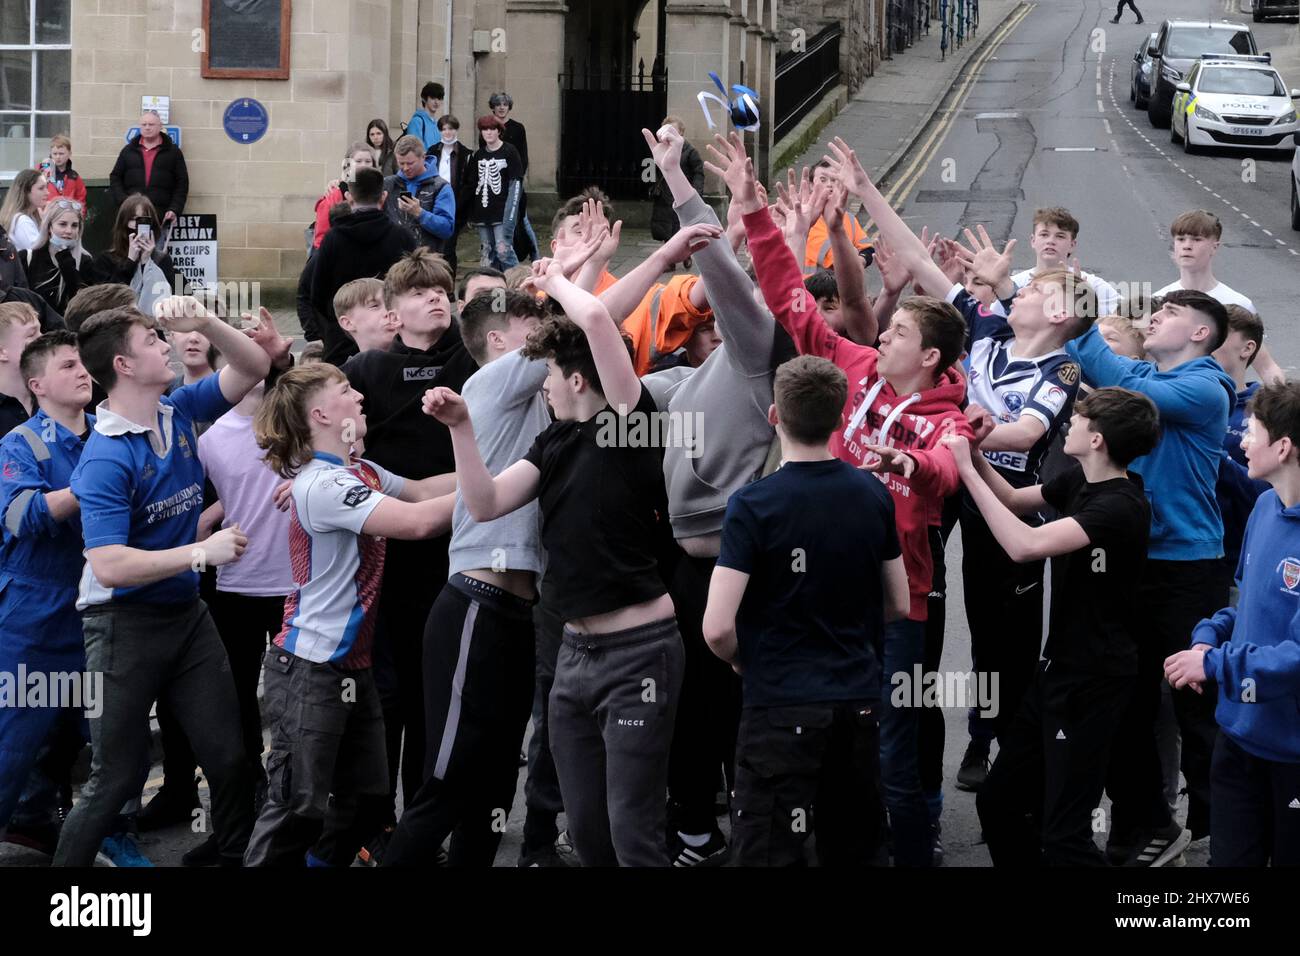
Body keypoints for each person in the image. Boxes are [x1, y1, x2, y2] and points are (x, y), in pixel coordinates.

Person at [729, 130, 977, 866]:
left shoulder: (947, 415)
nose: (880, 332)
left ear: (928, 357)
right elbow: (790, 300)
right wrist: (756, 215)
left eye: (897, 331)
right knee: (824, 740)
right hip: (817, 584)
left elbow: (944, 472)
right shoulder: (856, 365)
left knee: (892, 746)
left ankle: (909, 848)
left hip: (893, 599)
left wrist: (908, 459)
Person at [825, 136, 1092, 792]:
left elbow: (1027, 435)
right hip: (944, 473)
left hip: (1002, 491)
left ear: (1057, 313)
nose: (1017, 291)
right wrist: (864, 188)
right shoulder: (991, 330)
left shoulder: (1060, 366)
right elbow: (916, 258)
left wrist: (967, 434)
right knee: (924, 596)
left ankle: (993, 737)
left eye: (1033, 290)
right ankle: (911, 725)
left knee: (1002, 630)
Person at [426, 257, 684, 867]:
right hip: (574, 655)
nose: (540, 384)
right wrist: (462, 428)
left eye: (547, 373)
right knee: (588, 831)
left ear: (576, 379)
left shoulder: (631, 424)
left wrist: (552, 280)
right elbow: (485, 503)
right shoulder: (553, 440)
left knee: (631, 832)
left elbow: (594, 315)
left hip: (639, 651)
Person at [51, 295, 271, 868]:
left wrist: (207, 322)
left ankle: (232, 856)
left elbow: (254, 368)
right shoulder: (104, 457)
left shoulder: (174, 409)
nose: (166, 343)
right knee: (115, 776)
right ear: (123, 366)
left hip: (186, 617)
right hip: (122, 626)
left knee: (228, 757)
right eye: (152, 340)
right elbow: (108, 565)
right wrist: (199, 551)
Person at [242, 363, 457, 866]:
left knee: (360, 805)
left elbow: (426, 491)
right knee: (297, 808)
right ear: (320, 413)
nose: (360, 395)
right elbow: (421, 521)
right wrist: (510, 486)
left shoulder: (360, 471)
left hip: (351, 667)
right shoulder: (323, 485)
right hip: (310, 666)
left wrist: (506, 464)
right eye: (345, 390)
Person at [702, 354, 909, 866]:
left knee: (769, 848)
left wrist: (741, 659)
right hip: (855, 700)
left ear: (775, 416)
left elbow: (717, 627)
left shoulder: (753, 505)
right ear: (841, 419)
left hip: (780, 704)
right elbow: (900, 603)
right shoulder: (872, 493)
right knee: (855, 845)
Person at [944, 388, 1159, 865]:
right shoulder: (1077, 480)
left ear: (1097, 439)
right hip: (1057, 671)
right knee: (999, 802)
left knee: (1064, 834)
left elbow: (1024, 544)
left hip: (1094, 681)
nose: (1069, 425)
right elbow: (1015, 500)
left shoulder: (1120, 506)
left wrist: (961, 468)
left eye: (1078, 419)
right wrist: (977, 454)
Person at [382, 288, 550, 867]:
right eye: (533, 325)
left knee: (495, 782)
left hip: (518, 613)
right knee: (449, 783)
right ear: (500, 342)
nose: (547, 334)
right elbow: (586, 321)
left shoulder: (537, 403)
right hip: (476, 603)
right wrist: (650, 257)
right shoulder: (492, 382)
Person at [1067, 289, 1235, 865]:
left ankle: (1220, 834)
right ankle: (1148, 825)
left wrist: (1068, 306)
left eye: (1170, 314)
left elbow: (1117, 378)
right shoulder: (1143, 372)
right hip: (1136, 561)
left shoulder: (1204, 387)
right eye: (1153, 310)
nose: (1154, 316)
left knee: (1197, 706)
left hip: (1188, 568)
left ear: (1200, 334)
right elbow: (1110, 369)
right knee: (1129, 703)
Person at [339, 249, 479, 864]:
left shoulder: (470, 358)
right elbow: (338, 441)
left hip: (457, 548)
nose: (435, 299)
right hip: (387, 550)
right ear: (392, 312)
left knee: (439, 696)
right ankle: (377, 823)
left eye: (442, 290)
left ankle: (429, 821)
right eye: (420, 293)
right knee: (384, 697)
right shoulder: (367, 368)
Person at [1165, 381, 1300, 867]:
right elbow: (1245, 606)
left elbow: (1296, 656)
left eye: (1251, 431)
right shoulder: (1264, 506)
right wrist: (1208, 637)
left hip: (1291, 755)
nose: (1241, 439)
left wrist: (1216, 665)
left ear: (1283, 447)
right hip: (1238, 734)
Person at [0, 331, 95, 853]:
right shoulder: (18, 444)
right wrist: (91, 485)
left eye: (82, 363)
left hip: (99, 606)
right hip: (34, 610)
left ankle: (42, 828)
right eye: (67, 366)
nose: (83, 372)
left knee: (93, 735)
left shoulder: (110, 432)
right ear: (36, 384)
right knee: (14, 742)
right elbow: (20, 515)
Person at [309, 167, 416, 366]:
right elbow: (414, 287)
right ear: (383, 197)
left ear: (349, 198)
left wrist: (338, 325)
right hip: (395, 338)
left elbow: (317, 293)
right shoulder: (402, 237)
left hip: (342, 337)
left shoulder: (333, 239)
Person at [1213, 306, 1270, 598]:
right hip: (1179, 556)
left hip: (1235, 566)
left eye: (1219, 335)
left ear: (1247, 348)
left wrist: (1213, 454)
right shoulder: (1184, 398)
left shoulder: (1264, 412)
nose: (1206, 341)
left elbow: (1268, 492)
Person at [1009, 208, 1121, 316]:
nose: (1050, 241)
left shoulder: (1091, 285)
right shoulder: (1015, 285)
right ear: (1033, 241)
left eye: (1060, 236)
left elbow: (1130, 315)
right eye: (1044, 235)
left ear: (1072, 245)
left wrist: (1085, 305)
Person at [91, 195, 178, 317]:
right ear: (124, 222)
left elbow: (180, 292)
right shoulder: (106, 259)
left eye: (145, 220)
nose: (139, 226)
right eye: (134, 219)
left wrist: (147, 263)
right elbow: (107, 299)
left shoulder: (162, 259)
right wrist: (130, 261)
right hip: (120, 326)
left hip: (154, 326)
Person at [108, 111, 188, 226]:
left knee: (155, 245)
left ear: (160, 126)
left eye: (151, 124)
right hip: (131, 216)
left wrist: (174, 209)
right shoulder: (128, 150)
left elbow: (182, 183)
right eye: (144, 124)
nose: (147, 128)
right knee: (130, 244)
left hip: (159, 216)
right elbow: (115, 177)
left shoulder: (173, 152)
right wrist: (124, 201)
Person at [466, 116, 524, 272]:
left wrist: (510, 215)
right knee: (487, 253)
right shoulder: (478, 155)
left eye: (492, 129)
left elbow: (515, 184)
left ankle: (519, 283)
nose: (488, 133)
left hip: (502, 213)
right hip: (482, 212)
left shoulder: (509, 151)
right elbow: (472, 185)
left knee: (504, 250)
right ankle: (490, 288)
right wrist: (470, 213)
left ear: (499, 131)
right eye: (485, 129)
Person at [20, 200, 96, 317]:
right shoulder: (28, 258)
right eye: (62, 224)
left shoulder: (85, 261)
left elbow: (85, 306)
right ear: (49, 227)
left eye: (74, 225)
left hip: (71, 332)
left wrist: (67, 263)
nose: (68, 231)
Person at [486, 92, 537, 263]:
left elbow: (523, 156)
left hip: (514, 180)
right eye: (498, 104)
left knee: (522, 219)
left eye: (505, 104)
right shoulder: (487, 128)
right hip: (495, 182)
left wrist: (518, 179)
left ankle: (535, 254)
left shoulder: (517, 128)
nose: (501, 107)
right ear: (493, 107)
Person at [382, 135, 455, 252]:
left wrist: (420, 213)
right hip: (394, 259)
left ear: (423, 157)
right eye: (401, 163)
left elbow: (447, 229)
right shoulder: (388, 184)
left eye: (410, 163)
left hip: (427, 261)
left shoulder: (440, 187)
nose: (405, 168)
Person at [427, 115, 473, 276]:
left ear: (456, 130)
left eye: (451, 128)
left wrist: (457, 206)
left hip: (455, 208)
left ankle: (447, 285)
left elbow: (469, 185)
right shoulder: (432, 151)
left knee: (448, 248)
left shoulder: (466, 154)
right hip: (434, 205)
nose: (448, 132)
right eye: (444, 129)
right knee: (433, 248)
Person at [648, 116, 704, 245]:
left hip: (682, 193)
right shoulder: (661, 149)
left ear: (681, 132)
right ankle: (671, 257)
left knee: (681, 225)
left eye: (673, 130)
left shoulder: (690, 151)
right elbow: (654, 170)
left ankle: (685, 251)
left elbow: (698, 172)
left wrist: (697, 192)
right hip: (665, 195)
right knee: (666, 227)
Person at [312, 142, 378, 250]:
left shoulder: (379, 191)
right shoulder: (334, 194)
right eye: (358, 161)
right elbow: (321, 240)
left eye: (368, 161)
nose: (364, 165)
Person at [0, 302, 42, 435]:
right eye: (31, 335)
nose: (43, 338)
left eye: (41, 331)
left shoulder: (54, 395)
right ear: (2, 352)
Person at [334, 277, 398, 354]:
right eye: (374, 306)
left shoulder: (416, 362)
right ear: (348, 323)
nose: (389, 312)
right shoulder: (352, 366)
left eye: (390, 304)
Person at [0, 170, 48, 253]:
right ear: (25, 191)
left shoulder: (31, 216)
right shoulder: (22, 221)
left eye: (46, 187)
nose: (47, 192)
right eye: (41, 188)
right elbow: (42, 253)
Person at [42, 135, 87, 207]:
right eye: (55, 154)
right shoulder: (43, 173)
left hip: (68, 216)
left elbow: (81, 199)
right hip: (47, 215)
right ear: (50, 154)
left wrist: (78, 216)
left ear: (69, 154)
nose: (58, 157)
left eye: (61, 153)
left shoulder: (74, 176)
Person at [405, 82, 446, 151]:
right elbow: (413, 150)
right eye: (433, 98)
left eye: (439, 98)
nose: (436, 102)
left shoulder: (437, 124)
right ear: (424, 99)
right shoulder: (416, 122)